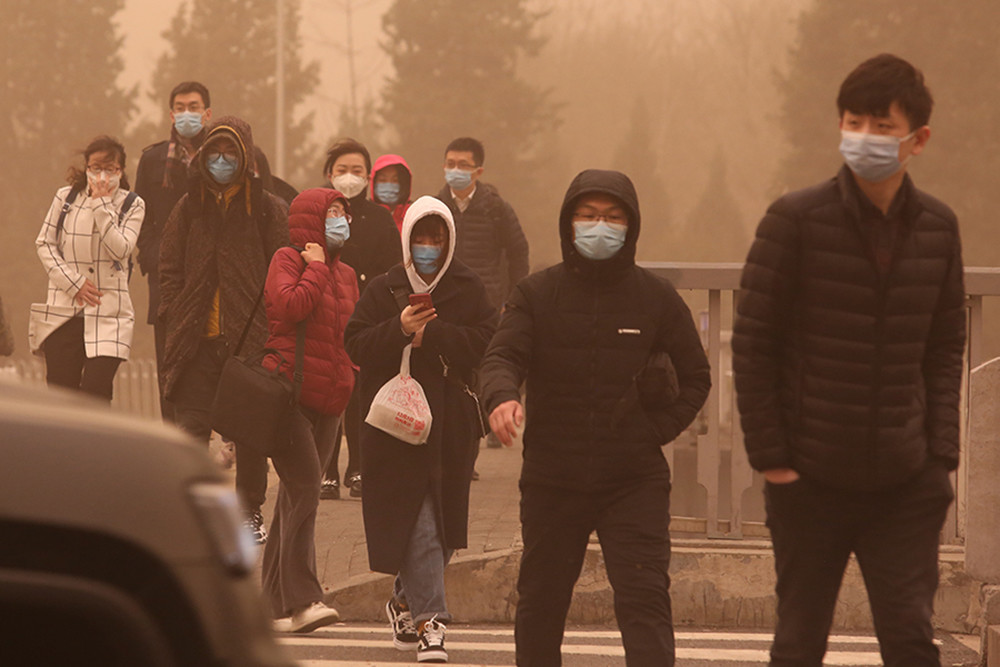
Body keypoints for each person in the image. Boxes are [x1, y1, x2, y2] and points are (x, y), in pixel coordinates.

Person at [732, 54, 965, 667]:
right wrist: (774, 460)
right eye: (854, 121)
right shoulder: (795, 221)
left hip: (906, 480)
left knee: (911, 640)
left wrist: (941, 456)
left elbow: (944, 348)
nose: (865, 136)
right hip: (809, 478)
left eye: (882, 126)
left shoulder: (939, 228)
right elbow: (753, 342)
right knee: (800, 639)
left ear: (918, 139)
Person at [480, 169, 711, 666]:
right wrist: (501, 397)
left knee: (645, 600)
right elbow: (501, 357)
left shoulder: (657, 298)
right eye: (587, 216)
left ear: (630, 226)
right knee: (541, 603)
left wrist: (654, 432)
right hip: (553, 476)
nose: (599, 226)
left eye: (611, 217)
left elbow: (697, 378)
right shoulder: (535, 294)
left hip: (634, 480)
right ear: (568, 224)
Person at [344, 196, 498, 663]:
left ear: (450, 241)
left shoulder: (468, 288)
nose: (428, 247)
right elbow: (355, 343)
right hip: (392, 424)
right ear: (407, 239)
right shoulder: (384, 288)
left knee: (446, 528)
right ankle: (433, 623)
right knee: (421, 519)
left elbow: (488, 343)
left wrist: (432, 335)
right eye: (420, 238)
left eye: (437, 238)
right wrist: (398, 328)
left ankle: (403, 600)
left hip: (449, 424)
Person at [158, 116, 288, 544]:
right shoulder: (189, 206)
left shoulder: (266, 208)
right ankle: (193, 511)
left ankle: (249, 510)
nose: (221, 160)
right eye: (214, 152)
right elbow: (169, 265)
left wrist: (273, 325)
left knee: (250, 434)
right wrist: (176, 311)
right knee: (190, 430)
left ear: (246, 156)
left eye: (230, 153)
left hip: (248, 341)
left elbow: (283, 267)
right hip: (197, 340)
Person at [135, 81, 276, 421]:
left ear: (208, 112)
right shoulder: (154, 160)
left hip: (236, 290)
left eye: (194, 106)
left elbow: (267, 217)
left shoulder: (246, 157)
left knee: (240, 388)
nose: (187, 114)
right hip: (175, 288)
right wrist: (162, 268)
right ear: (171, 113)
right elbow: (143, 219)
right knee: (176, 378)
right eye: (180, 107)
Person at [263, 187, 358, 634]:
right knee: (305, 488)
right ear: (310, 221)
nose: (340, 220)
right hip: (289, 396)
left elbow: (349, 336)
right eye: (331, 212)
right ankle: (303, 600)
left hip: (331, 399)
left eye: (344, 213)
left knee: (293, 497)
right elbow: (290, 306)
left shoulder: (350, 275)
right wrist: (316, 265)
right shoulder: (287, 260)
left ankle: (269, 607)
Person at [29, 135, 145, 401]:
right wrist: (75, 283)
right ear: (86, 167)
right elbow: (45, 244)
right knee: (63, 397)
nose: (102, 175)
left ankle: (98, 443)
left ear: (121, 171)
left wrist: (101, 204)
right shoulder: (65, 197)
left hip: (109, 315)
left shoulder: (132, 205)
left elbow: (121, 249)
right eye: (95, 168)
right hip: (64, 313)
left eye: (110, 168)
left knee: (95, 394)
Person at [320, 138, 402, 500]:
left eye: (356, 171)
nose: (349, 178)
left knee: (358, 395)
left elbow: (393, 269)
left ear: (368, 176)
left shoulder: (381, 218)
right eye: (341, 170)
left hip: (366, 315)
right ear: (328, 174)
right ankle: (326, 470)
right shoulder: (317, 211)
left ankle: (358, 467)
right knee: (325, 392)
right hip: (324, 310)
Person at [437, 137, 528, 312]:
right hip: (442, 303)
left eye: (463, 165)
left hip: (486, 304)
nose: (455, 170)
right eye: (451, 164)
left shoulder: (496, 209)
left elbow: (518, 253)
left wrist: (512, 299)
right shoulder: (435, 207)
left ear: (478, 172)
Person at [371, 153, 413, 233]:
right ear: (373, 183)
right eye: (382, 180)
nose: (389, 185)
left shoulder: (412, 216)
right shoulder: (367, 216)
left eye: (395, 181)